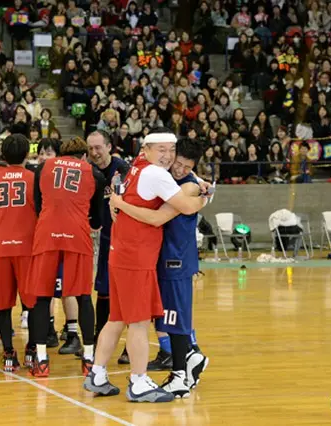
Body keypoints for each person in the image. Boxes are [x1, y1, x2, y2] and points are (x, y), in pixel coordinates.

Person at [84, 129, 207, 403]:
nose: (167, 156)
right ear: (146, 150)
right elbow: (185, 206)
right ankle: (139, 382)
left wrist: (119, 204)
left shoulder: (135, 168)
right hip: (136, 258)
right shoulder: (156, 174)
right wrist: (205, 196)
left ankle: (98, 374)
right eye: (160, 150)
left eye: (170, 150)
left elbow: (182, 180)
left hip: (118, 254)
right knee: (138, 323)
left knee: (116, 319)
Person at [28, 137, 105, 377]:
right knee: (82, 296)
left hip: (47, 233)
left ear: (61, 154)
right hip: (77, 235)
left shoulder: (42, 168)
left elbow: (38, 205)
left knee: (42, 297)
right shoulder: (94, 174)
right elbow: (97, 219)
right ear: (84, 156)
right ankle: (90, 359)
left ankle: (41, 360)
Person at [0, 134, 37, 371]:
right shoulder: (33, 178)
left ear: (3, 155)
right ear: (27, 154)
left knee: (3, 306)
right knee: (34, 304)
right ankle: (32, 350)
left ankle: (8, 353)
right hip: (26, 246)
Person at [86, 131, 130, 345]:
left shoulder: (122, 170)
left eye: (98, 147)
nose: (94, 152)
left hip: (125, 240)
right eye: (91, 148)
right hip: (104, 239)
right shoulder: (88, 171)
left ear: (109, 147)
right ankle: (98, 339)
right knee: (103, 291)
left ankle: (130, 346)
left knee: (127, 292)